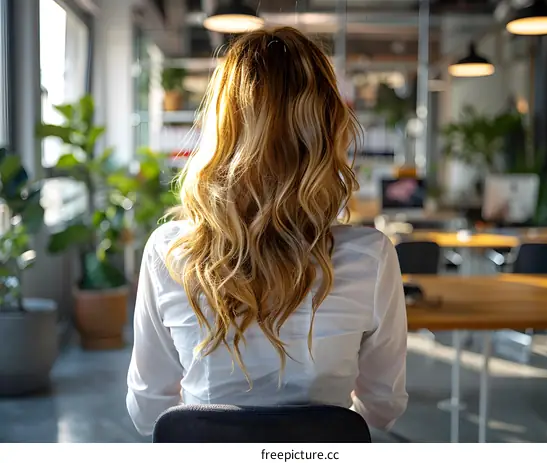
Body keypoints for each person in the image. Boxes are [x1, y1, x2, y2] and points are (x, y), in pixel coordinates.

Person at [126, 26, 408, 437]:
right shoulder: (372, 255)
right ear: (331, 130)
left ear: (220, 130)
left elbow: (147, 409)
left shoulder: (168, 251)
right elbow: (383, 407)